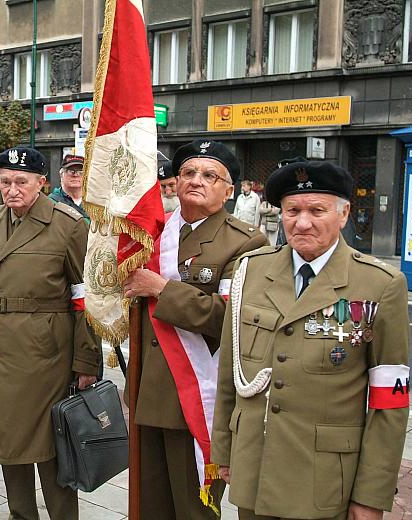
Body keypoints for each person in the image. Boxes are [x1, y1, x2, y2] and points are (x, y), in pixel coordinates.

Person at [212, 160, 410, 520]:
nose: (302, 223)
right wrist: (224, 451)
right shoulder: (252, 269)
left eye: (317, 211)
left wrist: (371, 496)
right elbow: (231, 372)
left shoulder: (380, 285)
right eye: (292, 211)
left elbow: (389, 403)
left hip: (324, 482)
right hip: (255, 470)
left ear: (344, 214)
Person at [122, 140, 268, 519]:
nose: (196, 180)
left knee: (194, 510)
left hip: (199, 399)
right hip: (147, 390)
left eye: (209, 175)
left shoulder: (246, 242)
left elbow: (231, 318)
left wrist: (161, 288)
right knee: (150, 507)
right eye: (188, 172)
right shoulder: (154, 233)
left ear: (229, 190)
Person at [0, 147, 101, 520]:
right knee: (7, 442)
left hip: (45, 357)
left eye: (21, 182)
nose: (12, 190)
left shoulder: (68, 225)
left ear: (41, 183)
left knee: (51, 445)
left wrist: (86, 360)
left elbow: (86, 297)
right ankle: (21, 514)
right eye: (5, 182)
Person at [49, 154, 90, 224]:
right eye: (71, 171)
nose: (76, 175)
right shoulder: (51, 202)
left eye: (81, 172)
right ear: (61, 174)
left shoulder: (94, 201)